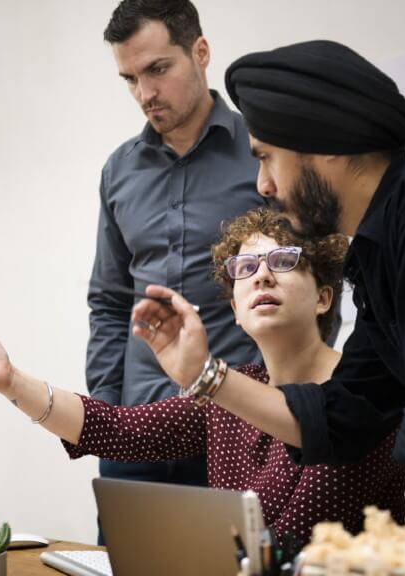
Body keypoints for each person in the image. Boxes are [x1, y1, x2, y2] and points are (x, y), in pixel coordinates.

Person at [132, 40, 405, 528]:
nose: (263, 185)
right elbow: (343, 417)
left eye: (267, 157)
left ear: (328, 144)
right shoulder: (381, 248)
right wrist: (203, 372)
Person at [0, 208, 405, 544]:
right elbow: (121, 431)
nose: (261, 275)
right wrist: (10, 381)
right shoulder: (234, 389)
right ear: (235, 309)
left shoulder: (364, 394)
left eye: (283, 261)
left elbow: (294, 538)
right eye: (246, 268)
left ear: (324, 296)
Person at [87, 0, 265, 521]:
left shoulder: (264, 153)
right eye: (130, 78)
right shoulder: (119, 170)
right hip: (136, 433)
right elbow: (109, 300)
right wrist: (106, 413)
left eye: (157, 69)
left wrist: (289, 413)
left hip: (240, 429)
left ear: (200, 52)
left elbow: (313, 287)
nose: (145, 94)